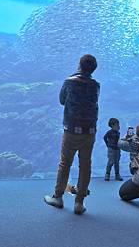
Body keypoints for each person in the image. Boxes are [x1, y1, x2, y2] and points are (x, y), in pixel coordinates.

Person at [44, 54, 100, 215]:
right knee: (85, 165)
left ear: (79, 65)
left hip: (71, 130)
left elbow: (62, 100)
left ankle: (58, 197)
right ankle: (79, 203)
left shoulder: (69, 81)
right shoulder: (96, 85)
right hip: (89, 131)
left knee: (65, 163)